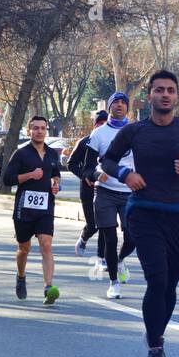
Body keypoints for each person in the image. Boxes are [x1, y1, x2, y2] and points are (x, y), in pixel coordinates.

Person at [98, 70, 179, 357]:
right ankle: (156, 347)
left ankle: (154, 333)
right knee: (158, 279)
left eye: (171, 90)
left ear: (177, 97)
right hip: (144, 213)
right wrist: (125, 175)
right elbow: (107, 161)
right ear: (149, 96)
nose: (165, 94)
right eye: (159, 90)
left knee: (172, 281)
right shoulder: (134, 132)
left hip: (178, 214)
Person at [3, 116, 62, 304]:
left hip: (45, 207)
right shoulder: (21, 154)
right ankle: (21, 276)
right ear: (29, 131)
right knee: (24, 248)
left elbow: (56, 174)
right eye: (35, 128)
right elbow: (8, 179)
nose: (39, 131)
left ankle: (48, 287)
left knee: (46, 245)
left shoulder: (52, 153)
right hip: (24, 209)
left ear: (47, 131)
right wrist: (30, 175)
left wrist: (56, 184)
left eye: (43, 128)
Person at [84, 93, 137, 299]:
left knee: (132, 236)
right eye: (116, 102)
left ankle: (121, 259)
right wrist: (99, 174)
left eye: (124, 103)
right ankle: (114, 282)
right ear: (109, 107)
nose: (120, 105)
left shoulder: (136, 131)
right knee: (110, 238)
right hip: (105, 192)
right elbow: (87, 167)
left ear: (128, 108)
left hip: (130, 192)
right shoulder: (98, 134)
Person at [67, 110, 107, 266]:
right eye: (100, 124)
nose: (103, 127)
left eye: (106, 124)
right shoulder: (85, 142)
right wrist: (85, 176)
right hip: (88, 190)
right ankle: (83, 239)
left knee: (105, 224)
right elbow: (71, 164)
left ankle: (102, 258)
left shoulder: (112, 142)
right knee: (93, 225)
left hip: (105, 190)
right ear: (95, 125)